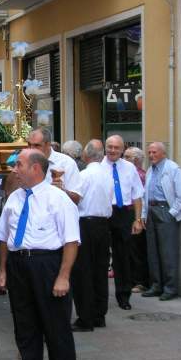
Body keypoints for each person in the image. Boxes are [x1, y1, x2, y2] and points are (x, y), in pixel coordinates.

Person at [0, 149, 89, 360]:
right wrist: (3, 270)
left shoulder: (58, 199)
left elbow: (71, 241)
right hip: (18, 265)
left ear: (36, 168)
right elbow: (3, 237)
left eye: (19, 165)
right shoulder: (14, 199)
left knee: (56, 327)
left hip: (47, 265)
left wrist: (63, 277)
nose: (14, 169)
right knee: (25, 326)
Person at [71, 140, 113, 331]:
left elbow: (76, 197)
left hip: (86, 224)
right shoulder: (107, 174)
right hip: (103, 225)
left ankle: (85, 318)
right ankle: (99, 315)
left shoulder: (85, 175)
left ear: (86, 156)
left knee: (83, 272)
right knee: (100, 271)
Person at [101, 135, 144, 310]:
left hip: (123, 214)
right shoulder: (96, 168)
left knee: (123, 257)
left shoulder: (130, 168)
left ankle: (124, 296)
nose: (112, 150)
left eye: (116, 148)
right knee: (101, 257)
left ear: (122, 149)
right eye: (109, 147)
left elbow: (137, 195)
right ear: (105, 147)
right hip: (103, 213)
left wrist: (138, 219)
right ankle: (99, 299)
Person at [141, 142, 181, 301]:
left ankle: (170, 288)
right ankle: (156, 285)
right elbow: (145, 195)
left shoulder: (173, 169)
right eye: (149, 152)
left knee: (168, 252)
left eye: (154, 152)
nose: (151, 155)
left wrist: (171, 214)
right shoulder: (150, 171)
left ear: (163, 153)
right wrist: (143, 215)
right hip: (151, 210)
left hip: (165, 210)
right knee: (152, 251)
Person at [27, 128, 82, 203]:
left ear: (48, 144)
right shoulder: (25, 162)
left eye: (37, 145)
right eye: (29, 145)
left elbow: (76, 199)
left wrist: (62, 191)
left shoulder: (66, 163)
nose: (31, 149)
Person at [124, 146, 149, 292]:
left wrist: (139, 218)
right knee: (131, 249)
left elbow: (140, 198)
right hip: (129, 215)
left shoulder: (139, 175)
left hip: (135, 215)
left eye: (127, 157)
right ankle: (134, 279)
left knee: (136, 250)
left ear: (137, 160)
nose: (124, 159)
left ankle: (139, 281)